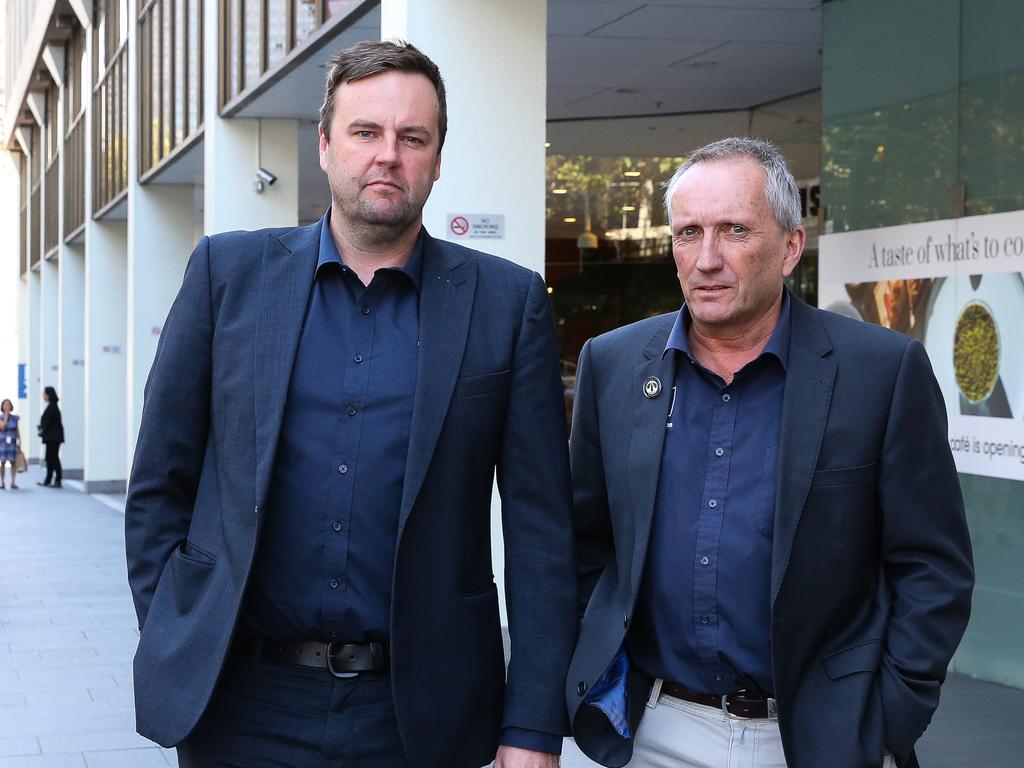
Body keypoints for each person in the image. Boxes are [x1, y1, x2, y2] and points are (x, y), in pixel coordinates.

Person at [125, 40, 575, 768]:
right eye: (366, 132)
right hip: (241, 707)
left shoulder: (507, 303)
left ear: (436, 157)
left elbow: (541, 535)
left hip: (423, 715)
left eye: (413, 137)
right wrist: (179, 630)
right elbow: (157, 486)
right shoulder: (226, 275)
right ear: (327, 145)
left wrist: (531, 726)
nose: (388, 155)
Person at [566, 137, 974, 768]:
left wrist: (889, 720)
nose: (706, 258)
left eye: (734, 231)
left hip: (820, 736)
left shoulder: (881, 373)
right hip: (656, 730)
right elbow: (586, 546)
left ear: (789, 247)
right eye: (688, 233)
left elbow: (932, 566)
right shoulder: (614, 365)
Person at [37, 386, 64, 488]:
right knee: (52, 458)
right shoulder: (53, 406)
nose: (43, 396)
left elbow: (47, 423)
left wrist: (41, 430)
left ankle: (55, 480)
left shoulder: (52, 407)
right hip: (53, 437)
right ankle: (50, 479)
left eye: (44, 394)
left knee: (52, 458)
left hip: (53, 437)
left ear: (48, 395)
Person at [0, 398, 21, 489]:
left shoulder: (15, 418)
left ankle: (13, 482)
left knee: (13, 462)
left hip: (12, 442)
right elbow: (3, 427)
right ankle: (2, 482)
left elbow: (17, 430)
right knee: (3, 462)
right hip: (3, 443)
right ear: (2, 406)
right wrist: (6, 416)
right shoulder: (0, 418)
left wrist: (19, 440)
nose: (7, 406)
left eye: (8, 404)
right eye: (5, 404)